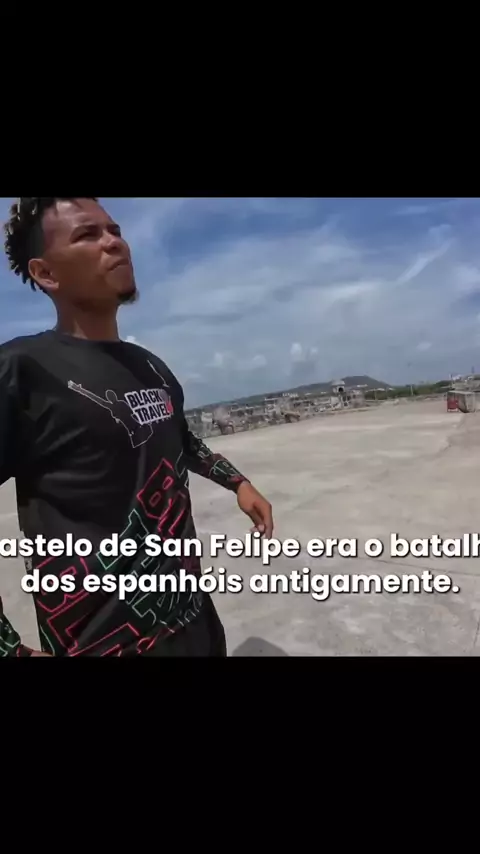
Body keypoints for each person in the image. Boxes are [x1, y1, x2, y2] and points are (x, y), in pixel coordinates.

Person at [0, 197, 273, 657]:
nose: (115, 243)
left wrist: (238, 483)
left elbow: (180, 439)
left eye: (115, 230)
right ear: (46, 273)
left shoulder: (151, 367)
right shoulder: (22, 371)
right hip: (103, 643)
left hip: (193, 620)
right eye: (88, 235)